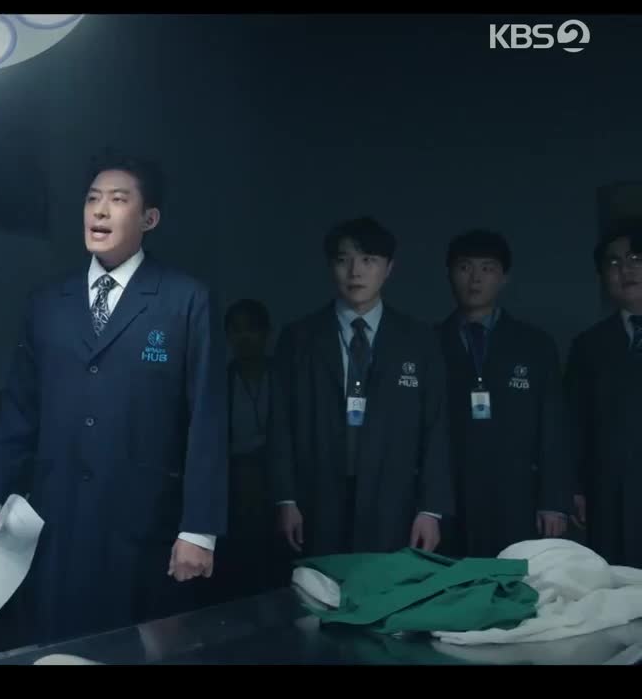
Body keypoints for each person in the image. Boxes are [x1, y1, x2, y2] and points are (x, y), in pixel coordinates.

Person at [0, 151, 228, 644]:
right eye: (92, 199)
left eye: (118, 200)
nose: (100, 211)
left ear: (149, 219)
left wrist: (199, 529)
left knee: (135, 648)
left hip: (143, 526)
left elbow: (207, 421)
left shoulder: (185, 300)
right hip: (57, 521)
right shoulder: (48, 303)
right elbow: (20, 408)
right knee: (57, 646)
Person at [268, 216, 452, 558]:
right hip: (316, 496)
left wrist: (431, 509)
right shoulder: (299, 338)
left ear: (389, 268)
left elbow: (436, 427)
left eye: (368, 260)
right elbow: (280, 425)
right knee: (318, 584)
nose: (355, 272)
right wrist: (285, 499)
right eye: (344, 260)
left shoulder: (419, 340)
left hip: (394, 498)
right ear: (331, 266)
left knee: (386, 584)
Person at [436, 230, 573, 559]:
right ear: (449, 274)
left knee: (515, 579)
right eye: (465, 267)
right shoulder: (428, 344)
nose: (475, 279)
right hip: (450, 494)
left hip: (517, 493)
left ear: (504, 277)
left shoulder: (535, 345)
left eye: (487, 268)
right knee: (451, 579)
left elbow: (553, 427)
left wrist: (554, 501)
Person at [564, 218, 642, 568]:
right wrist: (575, 486)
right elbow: (573, 423)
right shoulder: (588, 346)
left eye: (636, 258)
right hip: (610, 490)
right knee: (618, 582)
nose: (626, 269)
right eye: (614, 262)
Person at [213, 299, 282, 598]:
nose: (244, 337)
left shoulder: (284, 377)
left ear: (266, 332)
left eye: (252, 329)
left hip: (278, 481)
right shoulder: (220, 382)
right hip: (236, 484)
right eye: (236, 330)